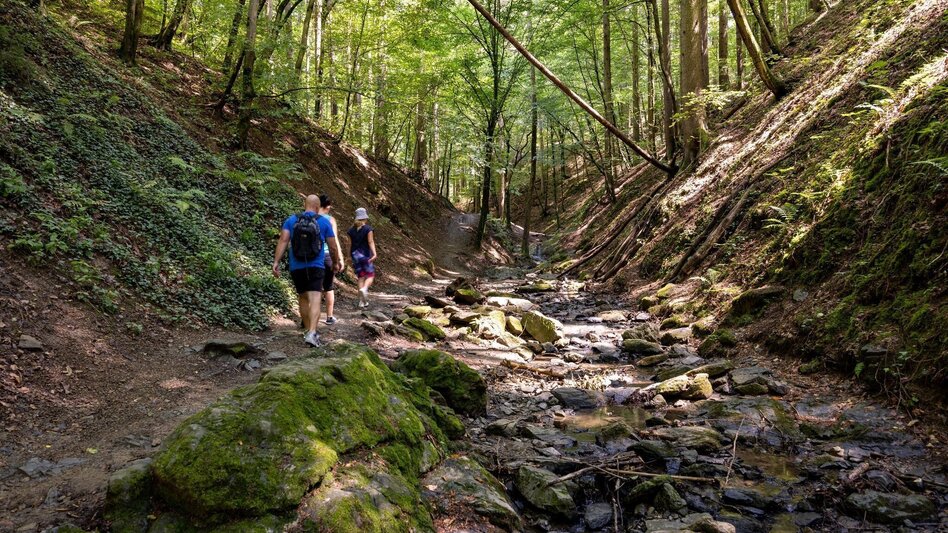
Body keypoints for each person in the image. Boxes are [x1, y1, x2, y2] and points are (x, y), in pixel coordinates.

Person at [272, 195, 342, 346]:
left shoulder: (291, 220)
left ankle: (307, 330)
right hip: (316, 265)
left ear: (305, 205)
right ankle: (312, 333)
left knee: (303, 297)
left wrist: (276, 261)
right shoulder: (324, 221)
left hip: (296, 266)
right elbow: (333, 246)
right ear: (317, 207)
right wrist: (335, 263)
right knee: (315, 297)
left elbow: (283, 240)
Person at [318, 194, 344, 324]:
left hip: (312, 257)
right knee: (328, 287)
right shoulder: (330, 220)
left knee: (313, 288)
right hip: (327, 256)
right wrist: (339, 259)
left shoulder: (310, 217)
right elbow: (334, 241)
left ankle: (309, 317)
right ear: (328, 206)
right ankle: (329, 317)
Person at [347, 207, 377, 308]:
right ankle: (364, 289)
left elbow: (349, 244)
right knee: (370, 275)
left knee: (360, 277)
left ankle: (361, 302)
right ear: (365, 217)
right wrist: (374, 253)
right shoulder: (368, 229)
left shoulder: (351, 230)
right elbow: (370, 242)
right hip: (365, 255)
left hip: (355, 256)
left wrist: (348, 256)